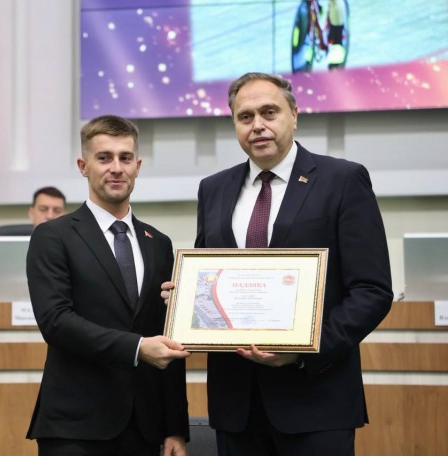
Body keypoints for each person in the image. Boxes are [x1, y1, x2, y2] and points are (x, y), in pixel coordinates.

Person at [165, 72, 393, 455]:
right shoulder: (213, 188)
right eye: (245, 116)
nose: (258, 125)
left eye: (269, 112)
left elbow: (372, 291)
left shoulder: (342, 180)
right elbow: (211, 274)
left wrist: (304, 350)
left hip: (317, 402)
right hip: (236, 405)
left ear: (294, 114)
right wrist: (186, 297)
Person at [26, 115, 190, 456]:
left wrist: (175, 428)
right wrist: (137, 348)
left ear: (138, 165)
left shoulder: (158, 243)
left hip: (144, 428)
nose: (116, 168)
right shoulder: (53, 236)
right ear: (83, 166)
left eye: (125, 158)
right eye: (104, 158)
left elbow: (168, 334)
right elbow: (56, 322)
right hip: (76, 427)